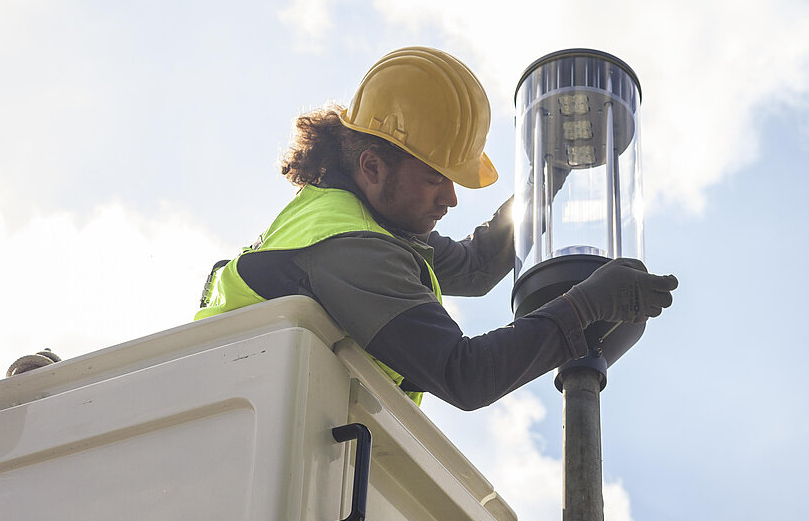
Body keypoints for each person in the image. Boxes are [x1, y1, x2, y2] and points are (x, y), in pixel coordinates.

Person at [194, 46, 677, 410]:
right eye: (434, 180)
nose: (450, 198)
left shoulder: (366, 220)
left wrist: (551, 170)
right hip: (240, 442)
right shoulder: (352, 251)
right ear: (373, 166)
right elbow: (465, 374)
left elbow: (477, 266)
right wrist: (585, 306)